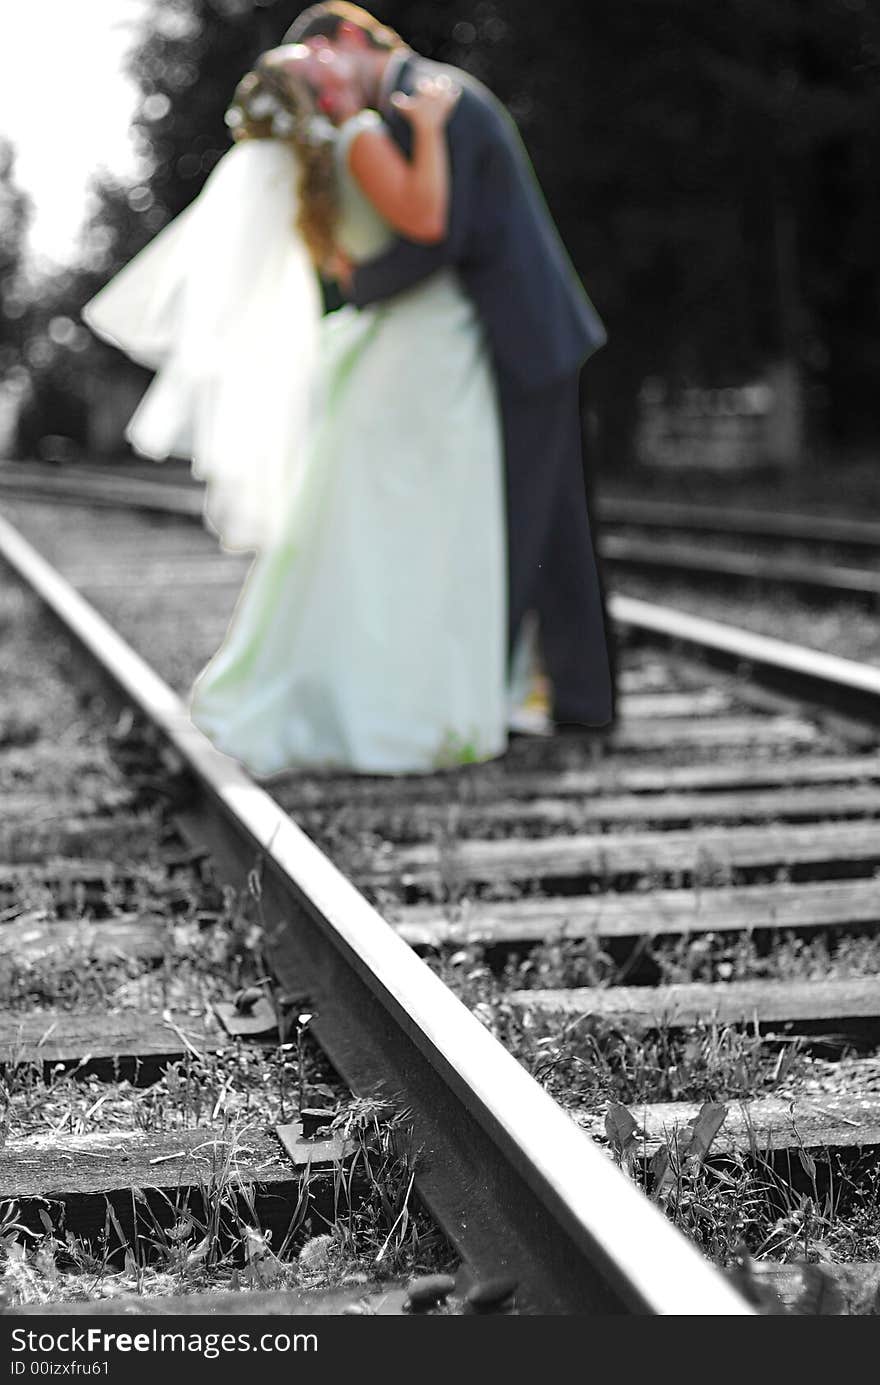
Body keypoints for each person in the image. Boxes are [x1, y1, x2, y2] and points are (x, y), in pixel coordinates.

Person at [85, 44, 511, 775]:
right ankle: (398, 706)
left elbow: (344, 266)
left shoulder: (315, 176)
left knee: (369, 535)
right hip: (420, 351)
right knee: (411, 534)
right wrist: (434, 128)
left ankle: (368, 695)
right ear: (319, 93)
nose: (336, 60)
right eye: (319, 62)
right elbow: (429, 218)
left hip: (388, 349)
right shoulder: (360, 139)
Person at [280, 3, 614, 731]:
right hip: (526, 334)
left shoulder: (432, 97)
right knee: (552, 531)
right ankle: (583, 704)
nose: (325, 88)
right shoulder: (420, 98)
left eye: (321, 64)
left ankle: (470, 704)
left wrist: (358, 288)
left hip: (519, 334)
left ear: (346, 38)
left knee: (516, 529)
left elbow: (442, 235)